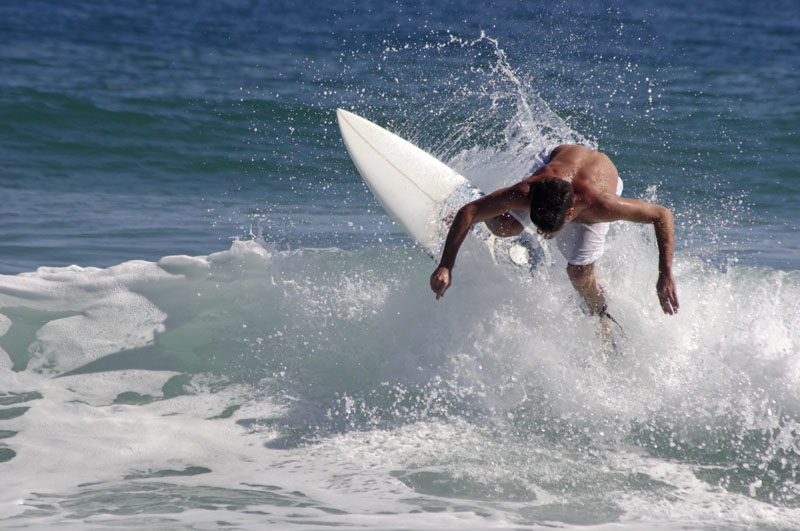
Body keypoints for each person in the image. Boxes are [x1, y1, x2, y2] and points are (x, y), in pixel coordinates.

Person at [429, 144, 679, 322]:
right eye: (538, 225)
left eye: (546, 229)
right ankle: (490, 209)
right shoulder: (527, 190)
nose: (540, 233)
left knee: (579, 273)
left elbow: (662, 215)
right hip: (556, 163)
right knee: (507, 227)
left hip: (597, 183)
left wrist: (665, 273)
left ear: (570, 214)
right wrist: (446, 266)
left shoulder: (603, 206)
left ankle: (602, 315)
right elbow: (468, 210)